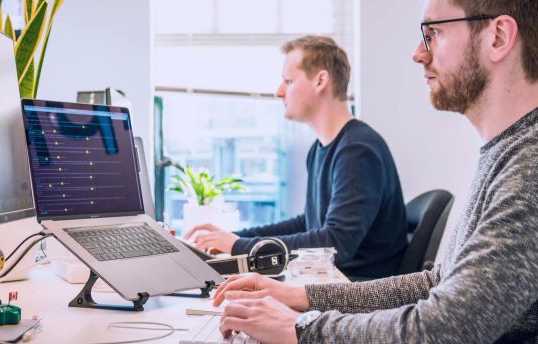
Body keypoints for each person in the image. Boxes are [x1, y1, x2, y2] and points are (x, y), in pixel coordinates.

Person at [212, 0, 538, 343]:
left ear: (498, 37)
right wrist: (301, 297)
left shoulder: (528, 165)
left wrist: (298, 329)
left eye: (434, 34)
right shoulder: (506, 152)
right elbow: (438, 282)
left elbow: (447, 328)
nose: (418, 54)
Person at [184, 36, 409, 279]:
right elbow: (308, 223)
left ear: (321, 81)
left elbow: (335, 245)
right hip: (331, 282)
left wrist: (239, 247)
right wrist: (236, 238)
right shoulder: (321, 149)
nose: (279, 92)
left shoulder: (358, 150)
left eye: (289, 81)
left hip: (356, 292)